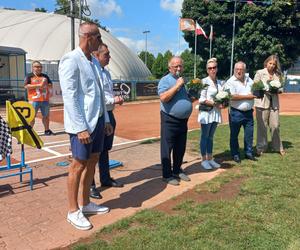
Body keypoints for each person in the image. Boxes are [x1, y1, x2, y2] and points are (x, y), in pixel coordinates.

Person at [58, 22, 112, 231]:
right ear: (89, 37)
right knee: (78, 164)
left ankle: (85, 203)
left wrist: (106, 119)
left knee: (93, 160)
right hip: (82, 124)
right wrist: (80, 127)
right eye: (98, 37)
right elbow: (70, 97)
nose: (100, 42)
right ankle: (73, 211)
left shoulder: (94, 62)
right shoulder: (71, 60)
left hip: (97, 120)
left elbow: (98, 92)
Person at [89, 44, 124, 199]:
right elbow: (97, 96)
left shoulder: (107, 73)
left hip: (109, 114)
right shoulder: (92, 72)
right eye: (107, 55)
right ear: (97, 55)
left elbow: (107, 93)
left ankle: (105, 178)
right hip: (97, 116)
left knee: (104, 150)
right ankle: (90, 186)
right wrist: (113, 99)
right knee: (92, 153)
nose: (109, 57)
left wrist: (114, 99)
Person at [158, 56, 193, 186]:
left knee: (180, 147)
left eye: (180, 66)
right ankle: (167, 175)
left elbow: (185, 98)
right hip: (169, 119)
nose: (179, 68)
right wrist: (177, 85)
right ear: (170, 68)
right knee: (167, 148)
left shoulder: (183, 81)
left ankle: (177, 170)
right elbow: (164, 97)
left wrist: (193, 96)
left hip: (183, 121)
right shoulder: (165, 80)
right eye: (175, 66)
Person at [254, 55, 285, 156]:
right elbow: (255, 86)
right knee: (262, 127)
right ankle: (261, 147)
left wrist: (277, 90)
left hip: (274, 104)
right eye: (270, 63)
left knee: (275, 126)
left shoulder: (278, 74)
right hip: (262, 103)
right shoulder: (260, 73)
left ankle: (277, 147)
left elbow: (281, 89)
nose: (271, 66)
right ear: (266, 63)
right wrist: (265, 89)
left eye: (274, 64)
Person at [226, 61, 257, 163]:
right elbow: (232, 97)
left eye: (241, 69)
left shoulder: (249, 80)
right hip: (236, 113)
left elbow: (255, 90)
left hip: (249, 112)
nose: (239, 71)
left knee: (249, 134)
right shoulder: (230, 82)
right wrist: (249, 96)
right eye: (237, 69)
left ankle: (248, 152)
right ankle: (235, 154)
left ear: (245, 70)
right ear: (234, 70)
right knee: (234, 135)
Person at [198, 58, 223, 170]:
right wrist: (215, 104)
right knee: (205, 136)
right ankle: (204, 160)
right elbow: (202, 99)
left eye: (214, 67)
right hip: (206, 113)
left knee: (211, 137)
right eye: (210, 68)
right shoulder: (204, 82)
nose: (212, 70)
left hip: (216, 113)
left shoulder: (220, 82)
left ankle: (210, 158)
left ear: (217, 69)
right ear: (207, 70)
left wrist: (223, 103)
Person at [24, 61, 54, 135]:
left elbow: (50, 85)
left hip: (44, 100)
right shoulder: (29, 76)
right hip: (34, 100)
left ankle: (47, 130)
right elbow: (26, 86)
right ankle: (30, 132)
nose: (39, 68)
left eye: (40, 67)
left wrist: (45, 86)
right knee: (32, 117)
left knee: (46, 116)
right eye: (36, 67)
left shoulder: (45, 76)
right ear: (33, 68)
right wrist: (39, 85)